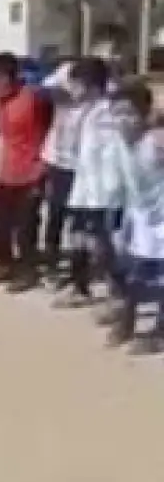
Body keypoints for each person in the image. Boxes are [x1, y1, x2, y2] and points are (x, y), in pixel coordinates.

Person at [56, 58, 125, 310]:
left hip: (102, 192)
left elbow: (111, 156)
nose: (71, 90)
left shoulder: (108, 114)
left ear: (92, 86)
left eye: (75, 84)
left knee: (101, 244)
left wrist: (110, 193)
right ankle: (79, 287)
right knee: (76, 237)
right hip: (83, 188)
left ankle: (117, 294)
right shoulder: (84, 112)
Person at [0, 51, 52, 293]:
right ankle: (5, 265)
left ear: (4, 78)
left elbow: (52, 126)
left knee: (25, 228)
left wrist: (45, 169)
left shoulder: (33, 98)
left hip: (32, 173)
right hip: (7, 173)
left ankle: (28, 271)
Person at [102, 83, 162, 350]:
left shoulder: (157, 142)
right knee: (133, 273)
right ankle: (126, 323)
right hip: (140, 218)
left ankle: (159, 332)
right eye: (116, 114)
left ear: (145, 115)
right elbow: (125, 188)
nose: (122, 120)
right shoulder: (119, 145)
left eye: (128, 113)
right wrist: (122, 223)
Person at [39, 65, 84, 284]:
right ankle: (51, 262)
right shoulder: (67, 71)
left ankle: (79, 271)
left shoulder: (108, 83)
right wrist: (64, 92)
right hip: (57, 159)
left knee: (79, 219)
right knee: (55, 214)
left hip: (83, 165)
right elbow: (43, 89)